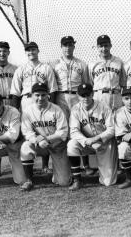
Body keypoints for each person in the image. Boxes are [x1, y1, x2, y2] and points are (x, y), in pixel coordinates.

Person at [10, 41, 58, 174]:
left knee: (44, 130)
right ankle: (29, 166)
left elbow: (53, 89)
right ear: (26, 53)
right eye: (28, 50)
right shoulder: (20, 69)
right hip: (26, 100)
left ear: (38, 51)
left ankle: (45, 165)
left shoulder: (46, 68)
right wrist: (14, 111)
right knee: (28, 133)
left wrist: (51, 106)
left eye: (33, 49)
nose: (31, 52)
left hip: (43, 100)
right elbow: (15, 92)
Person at [51, 36, 93, 175]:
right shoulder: (54, 64)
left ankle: (86, 165)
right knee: (64, 129)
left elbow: (87, 84)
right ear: (61, 47)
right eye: (65, 45)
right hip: (61, 96)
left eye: (70, 45)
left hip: (77, 96)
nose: (68, 47)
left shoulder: (82, 64)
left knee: (82, 127)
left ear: (74, 46)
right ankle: (68, 165)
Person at [20, 82, 71, 191]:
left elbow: (62, 132)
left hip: (57, 146)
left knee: (64, 182)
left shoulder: (56, 109)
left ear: (48, 95)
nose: (40, 98)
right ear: (32, 95)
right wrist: (37, 140)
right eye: (37, 95)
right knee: (26, 146)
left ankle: (58, 173)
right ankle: (29, 180)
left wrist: (45, 139)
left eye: (43, 95)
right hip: (40, 146)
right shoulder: (28, 111)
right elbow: (27, 132)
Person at [67, 83, 117, 190]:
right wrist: (87, 141)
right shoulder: (75, 109)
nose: (85, 98)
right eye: (82, 95)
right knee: (71, 145)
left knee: (108, 182)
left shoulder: (104, 106)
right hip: (86, 143)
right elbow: (74, 132)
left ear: (92, 94)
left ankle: (107, 170)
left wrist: (96, 139)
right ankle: (77, 180)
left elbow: (112, 129)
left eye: (88, 95)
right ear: (78, 95)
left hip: (104, 142)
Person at [0, 41, 18, 178]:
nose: (2, 53)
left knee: (12, 131)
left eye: (5, 51)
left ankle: (15, 162)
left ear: (8, 52)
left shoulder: (15, 68)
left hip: (11, 101)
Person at [88, 35, 125, 112]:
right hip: (100, 96)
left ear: (110, 46)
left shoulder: (118, 62)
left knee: (117, 121)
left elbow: (123, 82)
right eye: (101, 46)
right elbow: (90, 83)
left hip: (116, 95)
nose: (104, 49)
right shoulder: (92, 64)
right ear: (97, 47)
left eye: (106, 46)